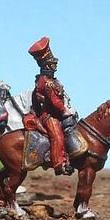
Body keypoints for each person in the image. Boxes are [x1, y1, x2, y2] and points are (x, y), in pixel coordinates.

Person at [28, 36, 76, 176]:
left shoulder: (46, 80)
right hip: (50, 115)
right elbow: (55, 102)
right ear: (48, 66)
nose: (55, 66)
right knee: (57, 136)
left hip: (52, 112)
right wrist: (65, 110)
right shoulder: (47, 82)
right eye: (53, 64)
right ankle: (59, 164)